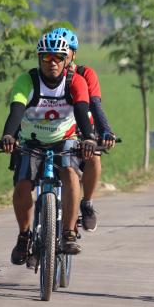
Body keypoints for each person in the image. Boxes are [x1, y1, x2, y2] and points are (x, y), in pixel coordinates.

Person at [0, 30, 98, 265]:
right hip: (32, 141)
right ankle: (24, 237)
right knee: (23, 185)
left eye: (58, 58)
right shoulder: (27, 80)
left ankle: (69, 233)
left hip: (65, 139)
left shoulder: (76, 81)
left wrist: (89, 139)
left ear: (66, 60)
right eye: (46, 58)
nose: (52, 63)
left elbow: (83, 111)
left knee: (71, 175)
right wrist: (8, 136)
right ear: (39, 58)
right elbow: (16, 111)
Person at [57, 27, 116, 232]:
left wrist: (105, 131)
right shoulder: (45, 74)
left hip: (82, 128)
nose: (60, 58)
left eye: (66, 52)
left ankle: (87, 203)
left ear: (73, 53)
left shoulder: (85, 74)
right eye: (56, 54)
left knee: (94, 156)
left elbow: (95, 104)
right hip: (52, 128)